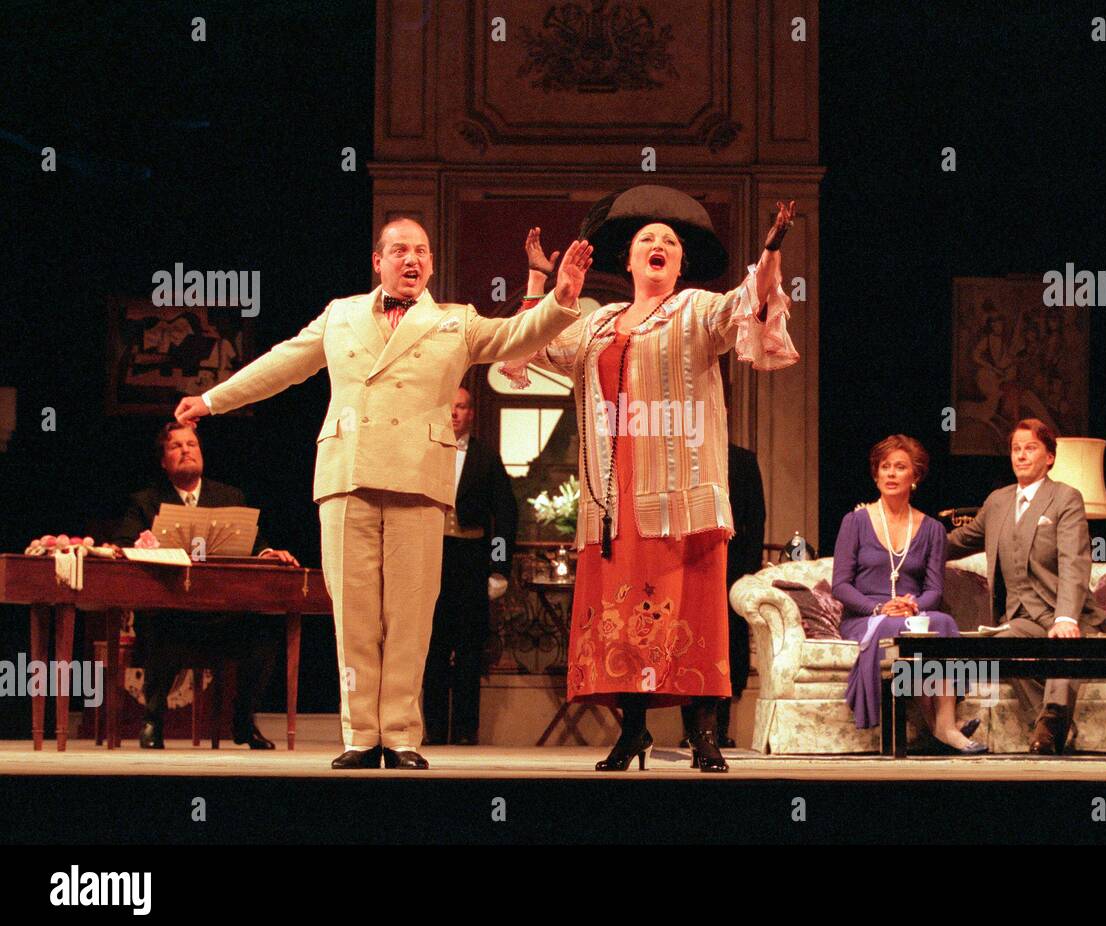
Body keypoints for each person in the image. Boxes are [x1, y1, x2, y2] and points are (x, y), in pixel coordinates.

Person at [173, 218, 591, 768]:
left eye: (421, 251)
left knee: (411, 616)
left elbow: (516, 336)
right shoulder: (341, 315)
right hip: (348, 474)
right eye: (399, 251)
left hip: (419, 478)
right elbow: (282, 364)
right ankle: (359, 736)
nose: (411, 259)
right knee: (354, 615)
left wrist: (561, 299)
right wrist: (213, 399)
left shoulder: (454, 321)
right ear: (379, 261)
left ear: (432, 265)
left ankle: (400, 736)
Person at [499, 185, 798, 772]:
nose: (657, 246)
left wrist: (770, 254)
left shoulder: (697, 311)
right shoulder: (599, 322)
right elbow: (528, 350)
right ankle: (632, 730)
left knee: (691, 610)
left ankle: (703, 734)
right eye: (645, 241)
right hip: (614, 497)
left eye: (669, 242)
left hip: (680, 492)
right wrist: (540, 283)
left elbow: (748, 305)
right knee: (623, 616)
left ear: (681, 263)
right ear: (628, 261)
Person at [112, 422, 299, 750]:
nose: (186, 450)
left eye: (192, 444)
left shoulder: (229, 496)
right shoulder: (145, 501)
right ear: (163, 461)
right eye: (176, 446)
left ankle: (243, 722)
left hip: (220, 615)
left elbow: (255, 543)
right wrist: (142, 546)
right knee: (160, 624)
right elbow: (123, 544)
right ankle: (152, 721)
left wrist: (270, 553)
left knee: (263, 633)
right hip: (171, 612)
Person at [947, 418, 1106, 754]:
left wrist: (1066, 617)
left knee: (1063, 648)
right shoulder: (998, 501)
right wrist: (908, 535)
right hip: (1021, 617)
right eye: (1016, 449)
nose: (1021, 455)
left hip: (1062, 612)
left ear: (1049, 456)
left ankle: (1050, 727)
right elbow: (958, 541)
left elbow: (1074, 562)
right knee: (1002, 646)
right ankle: (1048, 724)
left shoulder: (1065, 497)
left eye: (1030, 448)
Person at [831, 435, 984, 753]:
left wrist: (912, 607)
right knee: (895, 630)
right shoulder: (854, 522)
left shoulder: (932, 529)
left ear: (915, 476)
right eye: (884, 467)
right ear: (876, 475)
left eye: (899, 467)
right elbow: (841, 585)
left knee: (941, 623)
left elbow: (933, 590)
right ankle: (944, 729)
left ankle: (944, 721)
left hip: (912, 614)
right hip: (866, 618)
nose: (890, 473)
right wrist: (878, 608)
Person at [421, 386, 517, 745]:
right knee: (431, 648)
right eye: (450, 407)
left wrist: (498, 566)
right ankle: (431, 730)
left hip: (472, 560)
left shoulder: (485, 458)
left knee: (468, 651)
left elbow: (505, 516)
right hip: (431, 558)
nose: (455, 414)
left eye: (461, 407)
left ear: (471, 413)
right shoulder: (425, 454)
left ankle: (464, 731)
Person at [678, 441, 765, 748]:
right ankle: (691, 729)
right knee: (688, 641)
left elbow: (756, 520)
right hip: (690, 563)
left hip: (732, 564)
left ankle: (719, 728)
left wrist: (746, 573)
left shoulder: (742, 459)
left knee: (728, 645)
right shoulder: (682, 454)